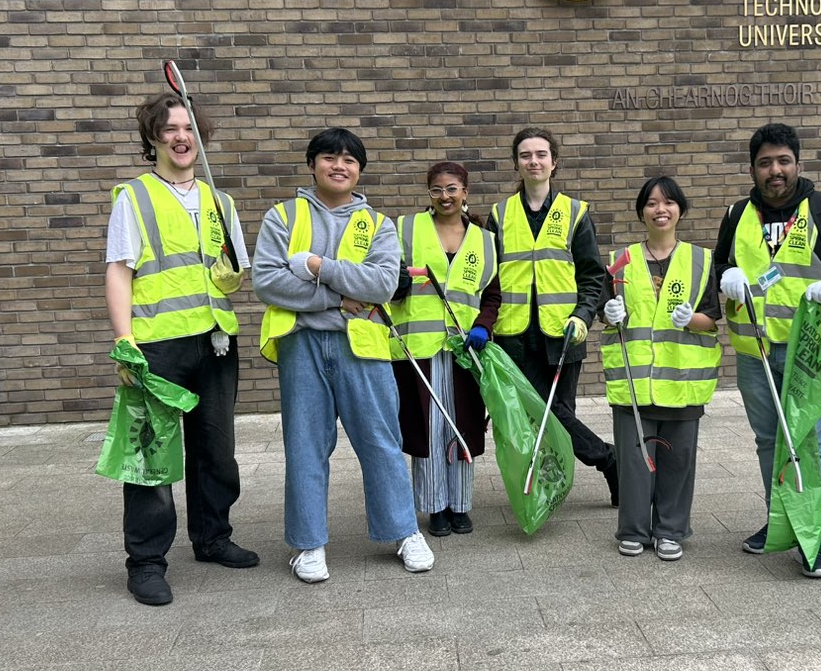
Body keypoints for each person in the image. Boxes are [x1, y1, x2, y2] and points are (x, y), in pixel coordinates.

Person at [252, 128, 435, 583]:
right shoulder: (283, 216)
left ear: (360, 170)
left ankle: (404, 531)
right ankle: (308, 544)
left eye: (350, 160)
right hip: (301, 345)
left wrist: (317, 266)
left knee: (381, 442)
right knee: (305, 445)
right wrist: (337, 298)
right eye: (330, 157)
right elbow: (268, 281)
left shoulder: (378, 224)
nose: (339, 166)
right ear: (312, 164)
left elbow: (382, 285)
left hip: (364, 348)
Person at [104, 93, 257, 607]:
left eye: (188, 127)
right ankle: (146, 562)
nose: (181, 136)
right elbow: (119, 271)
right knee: (152, 456)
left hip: (215, 341)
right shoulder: (135, 197)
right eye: (169, 128)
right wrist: (124, 340)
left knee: (217, 450)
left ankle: (212, 537)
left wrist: (232, 276)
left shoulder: (220, 202)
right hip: (157, 345)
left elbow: (231, 274)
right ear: (153, 138)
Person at [716, 121, 821, 577]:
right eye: (765, 163)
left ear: (798, 164)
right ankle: (780, 520)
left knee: (807, 441)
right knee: (769, 440)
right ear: (752, 169)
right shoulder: (737, 214)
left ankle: (811, 537)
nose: (775, 170)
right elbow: (721, 263)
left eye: (783, 161)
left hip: (808, 351)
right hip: (755, 351)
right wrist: (725, 275)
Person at [487, 127, 619, 504]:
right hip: (514, 334)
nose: (534, 161)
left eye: (541, 154)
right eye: (525, 155)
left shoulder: (575, 212)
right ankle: (607, 461)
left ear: (554, 162)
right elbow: (490, 277)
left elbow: (592, 275)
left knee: (559, 412)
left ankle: (567, 478)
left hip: (563, 332)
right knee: (538, 414)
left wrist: (583, 315)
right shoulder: (499, 215)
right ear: (516, 163)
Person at [599, 176, 722, 561]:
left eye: (668, 202)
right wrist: (609, 313)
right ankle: (633, 529)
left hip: (682, 381)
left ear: (680, 209)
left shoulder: (701, 260)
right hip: (634, 384)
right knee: (634, 464)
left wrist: (692, 319)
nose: (660, 209)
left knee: (678, 462)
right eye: (651, 203)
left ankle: (670, 530)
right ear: (641, 212)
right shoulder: (621, 260)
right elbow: (607, 313)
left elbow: (713, 317)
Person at [389, 161, 501, 537]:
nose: (445, 196)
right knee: (429, 427)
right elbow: (387, 280)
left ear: (465, 192)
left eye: (452, 189)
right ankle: (435, 506)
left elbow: (492, 295)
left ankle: (461, 504)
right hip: (418, 349)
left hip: (464, 350)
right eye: (437, 190)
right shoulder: (406, 228)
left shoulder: (485, 240)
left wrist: (483, 326)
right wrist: (398, 283)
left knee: (463, 424)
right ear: (429, 194)